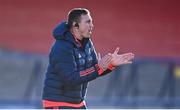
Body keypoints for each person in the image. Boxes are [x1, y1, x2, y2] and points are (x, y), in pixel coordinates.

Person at [42, 8, 134, 109]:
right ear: (75, 25)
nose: (92, 26)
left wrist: (110, 65)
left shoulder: (87, 43)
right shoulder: (62, 47)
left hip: (79, 103)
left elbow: (95, 69)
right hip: (59, 104)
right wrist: (99, 67)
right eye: (88, 22)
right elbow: (71, 78)